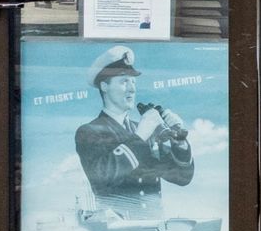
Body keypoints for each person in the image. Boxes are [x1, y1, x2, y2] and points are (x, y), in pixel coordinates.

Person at [72, 46, 193, 212]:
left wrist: (179, 141)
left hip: (154, 224)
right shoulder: (89, 131)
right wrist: (141, 135)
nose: (132, 89)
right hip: (118, 230)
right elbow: (101, 178)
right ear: (104, 86)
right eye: (124, 81)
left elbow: (182, 178)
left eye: (133, 82)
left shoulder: (144, 129)